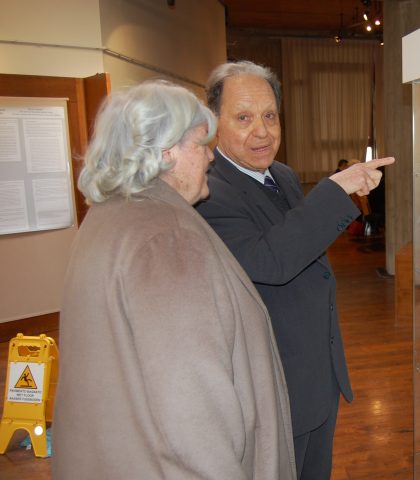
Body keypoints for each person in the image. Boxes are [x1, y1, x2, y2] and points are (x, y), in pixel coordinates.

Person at [52, 80, 295, 480]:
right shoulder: (166, 238)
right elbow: (192, 415)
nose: (211, 157)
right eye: (201, 144)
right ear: (166, 153)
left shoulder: (108, 218)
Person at [195, 61, 394, 479]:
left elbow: (303, 247)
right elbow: (272, 261)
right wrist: (334, 191)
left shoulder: (281, 176)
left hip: (315, 376)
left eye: (270, 115)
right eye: (244, 118)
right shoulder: (209, 190)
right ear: (214, 122)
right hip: (274, 389)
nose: (262, 131)